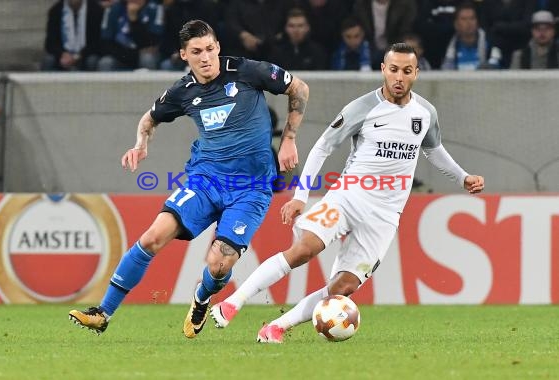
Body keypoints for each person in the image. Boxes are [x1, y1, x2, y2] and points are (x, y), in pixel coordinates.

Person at [210, 42, 485, 343]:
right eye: (393, 70)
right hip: (350, 197)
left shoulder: (425, 113)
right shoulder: (362, 108)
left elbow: (433, 150)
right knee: (306, 249)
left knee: (344, 288)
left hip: (386, 214)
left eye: (406, 71)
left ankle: (276, 327)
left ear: (416, 74)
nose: (399, 77)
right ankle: (234, 302)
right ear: (383, 69)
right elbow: (322, 147)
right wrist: (301, 196)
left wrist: (463, 177)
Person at [68, 19, 310, 338]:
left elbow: (299, 88)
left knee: (220, 263)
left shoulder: (248, 71)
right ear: (184, 55)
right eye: (197, 51)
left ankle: (201, 298)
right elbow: (149, 119)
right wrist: (141, 145)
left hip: (251, 189)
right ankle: (103, 312)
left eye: (210, 49)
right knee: (154, 236)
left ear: (218, 47)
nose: (205, 57)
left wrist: (289, 139)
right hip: (204, 181)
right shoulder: (183, 91)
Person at [97, 0, 164, 71]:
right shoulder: (113, 8)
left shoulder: (155, 8)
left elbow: (152, 42)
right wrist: (132, 54)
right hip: (120, 55)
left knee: (147, 59)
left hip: (145, 55)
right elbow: (106, 41)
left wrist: (133, 19)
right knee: (105, 62)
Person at [41, 0, 104, 71]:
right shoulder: (56, 10)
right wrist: (62, 54)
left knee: (92, 60)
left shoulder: (95, 9)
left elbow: (97, 42)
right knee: (48, 60)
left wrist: (77, 56)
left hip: (86, 54)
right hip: (64, 55)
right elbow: (50, 43)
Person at [441, 2, 502, 70]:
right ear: (456, 24)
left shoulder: (490, 42)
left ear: (477, 22)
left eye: (472, 18)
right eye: (464, 19)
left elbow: (495, 64)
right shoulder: (449, 45)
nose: (469, 22)